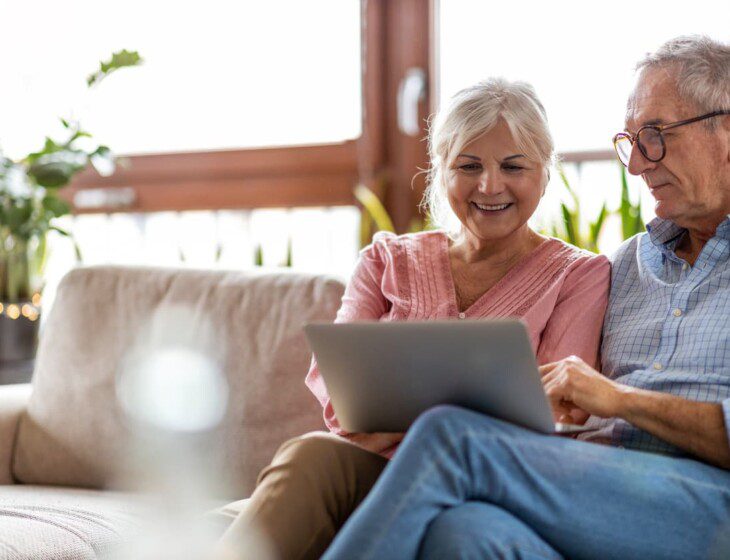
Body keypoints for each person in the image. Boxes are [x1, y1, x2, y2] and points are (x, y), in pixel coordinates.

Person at [321, 35, 730, 560]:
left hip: (708, 503)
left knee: (453, 437)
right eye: (631, 141)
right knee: (463, 534)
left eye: (654, 135)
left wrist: (618, 399)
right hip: (590, 489)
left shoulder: (577, 272)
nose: (637, 165)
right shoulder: (628, 264)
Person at [219, 77, 610, 560]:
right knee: (311, 453)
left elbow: (554, 412)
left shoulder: (580, 275)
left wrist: (409, 425)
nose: (490, 186)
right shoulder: (385, 259)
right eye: (468, 166)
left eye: (514, 166)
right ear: (439, 172)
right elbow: (341, 395)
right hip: (375, 471)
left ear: (546, 174)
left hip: (484, 487)